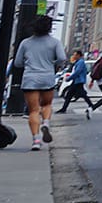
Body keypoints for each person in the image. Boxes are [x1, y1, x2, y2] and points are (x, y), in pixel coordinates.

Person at [13, 15, 65, 151]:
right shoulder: (55, 42)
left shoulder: (26, 43)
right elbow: (62, 58)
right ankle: (46, 123)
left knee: (33, 111)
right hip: (47, 76)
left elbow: (17, 63)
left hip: (30, 78)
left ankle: (36, 140)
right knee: (47, 104)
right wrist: (53, 64)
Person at [55, 50, 94, 118]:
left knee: (81, 95)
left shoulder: (81, 62)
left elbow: (77, 72)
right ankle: (64, 108)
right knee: (71, 95)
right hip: (76, 81)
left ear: (79, 55)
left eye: (75, 55)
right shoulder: (78, 62)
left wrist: (69, 78)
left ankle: (92, 105)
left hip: (78, 81)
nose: (74, 56)